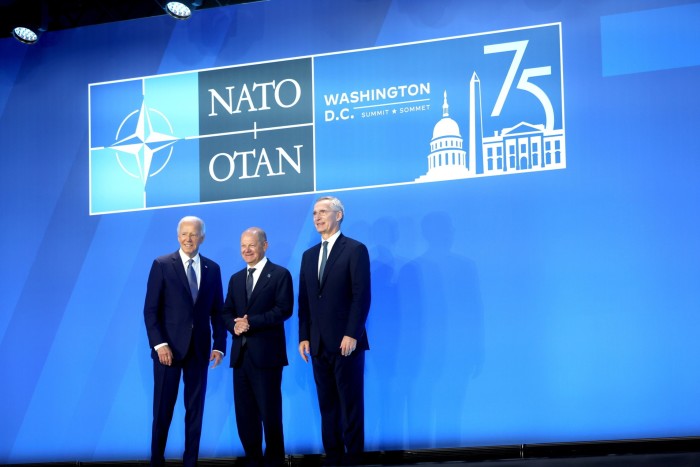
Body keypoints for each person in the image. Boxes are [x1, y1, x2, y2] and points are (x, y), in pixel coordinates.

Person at [143, 216, 227, 467]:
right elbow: (150, 310)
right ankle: (156, 461)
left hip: (199, 350)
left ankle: (191, 462)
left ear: (202, 237)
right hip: (168, 352)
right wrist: (159, 345)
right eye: (184, 234)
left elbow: (218, 311)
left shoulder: (213, 269)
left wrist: (219, 345)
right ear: (178, 236)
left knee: (195, 411)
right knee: (163, 410)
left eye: (193, 234)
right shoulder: (162, 264)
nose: (188, 239)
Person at [298, 196, 371, 466]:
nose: (317, 217)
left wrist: (352, 333)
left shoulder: (355, 250)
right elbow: (304, 300)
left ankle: (353, 459)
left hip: (346, 343)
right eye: (314, 213)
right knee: (327, 405)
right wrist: (303, 336)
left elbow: (361, 295)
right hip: (317, 344)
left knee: (350, 404)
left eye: (323, 212)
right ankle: (333, 457)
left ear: (338, 215)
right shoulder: (308, 256)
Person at [222, 227, 293, 467]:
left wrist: (250, 322)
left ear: (265, 245)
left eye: (252, 244)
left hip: (267, 356)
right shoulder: (235, 278)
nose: (246, 250)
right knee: (245, 415)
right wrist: (235, 326)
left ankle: (274, 461)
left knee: (270, 414)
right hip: (241, 356)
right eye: (243, 245)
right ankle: (253, 459)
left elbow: (283, 310)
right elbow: (226, 312)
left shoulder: (280, 274)